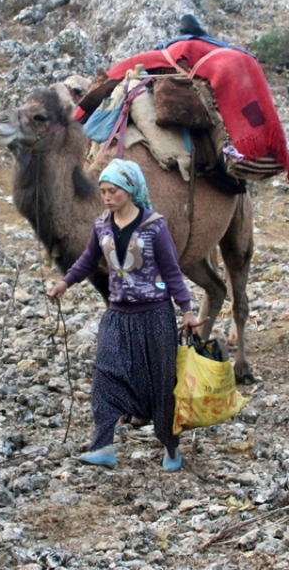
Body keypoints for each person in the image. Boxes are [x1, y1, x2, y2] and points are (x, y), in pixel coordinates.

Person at [47, 159, 204, 472]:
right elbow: (88, 259)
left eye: (113, 191)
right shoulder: (102, 225)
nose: (106, 197)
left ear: (130, 190)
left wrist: (186, 310)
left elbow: (172, 271)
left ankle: (170, 446)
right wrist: (64, 283)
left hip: (155, 316)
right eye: (103, 191)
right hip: (118, 315)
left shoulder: (154, 227)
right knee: (106, 374)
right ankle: (103, 445)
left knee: (160, 383)